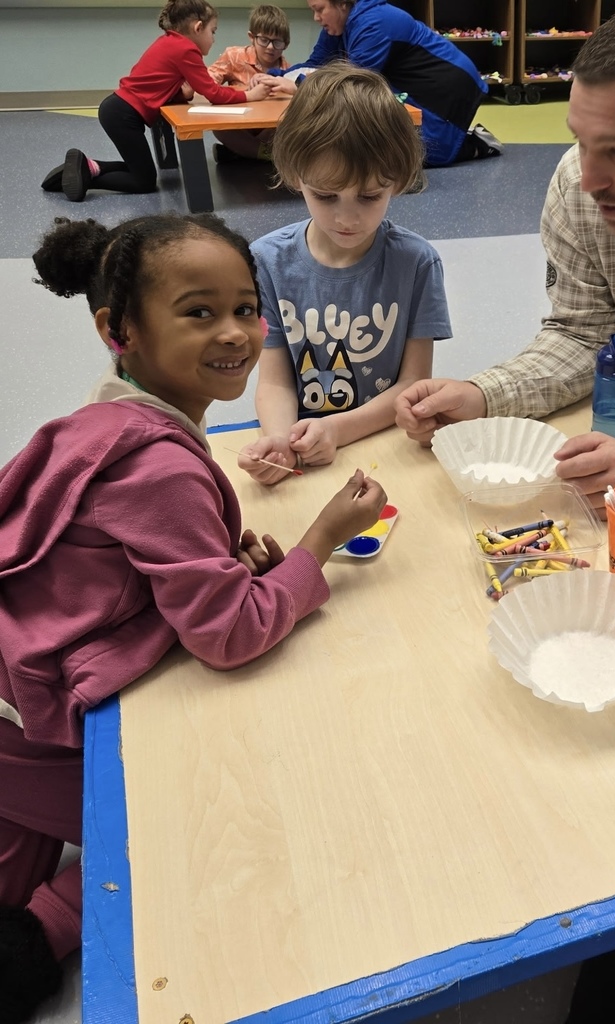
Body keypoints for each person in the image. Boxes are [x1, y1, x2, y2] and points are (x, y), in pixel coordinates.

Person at [0, 211, 386, 1023]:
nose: (236, 334)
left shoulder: (114, 414)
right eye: (199, 311)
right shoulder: (156, 464)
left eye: (247, 308)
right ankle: (46, 927)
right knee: (212, 840)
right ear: (119, 330)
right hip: (18, 721)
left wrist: (211, 554)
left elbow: (129, 550)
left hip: (14, 668)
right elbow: (228, 635)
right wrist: (322, 540)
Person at [395, 0, 615, 510]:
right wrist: (483, 397)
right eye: (581, 142)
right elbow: (581, 333)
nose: (588, 180)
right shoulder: (577, 185)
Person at [236, 63, 452, 485]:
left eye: (370, 196)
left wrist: (337, 429)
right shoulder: (266, 261)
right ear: (297, 176)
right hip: (301, 450)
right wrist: (279, 440)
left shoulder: (417, 263)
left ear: (398, 182)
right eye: (326, 195)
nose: (348, 217)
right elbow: (275, 382)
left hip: (384, 446)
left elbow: (412, 385)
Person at [40, 0, 262, 202]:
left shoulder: (169, 42)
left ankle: (89, 167)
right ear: (198, 28)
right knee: (144, 181)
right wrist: (249, 95)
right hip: (123, 115)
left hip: (117, 109)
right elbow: (214, 93)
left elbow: (158, 83)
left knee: (139, 169)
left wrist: (181, 94)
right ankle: (85, 176)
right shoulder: (187, 50)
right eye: (213, 31)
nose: (213, 38)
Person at [258, 0, 502, 167]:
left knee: (421, 156)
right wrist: (278, 75)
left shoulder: (374, 22)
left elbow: (353, 81)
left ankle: (476, 143)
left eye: (320, 9)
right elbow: (316, 63)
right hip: (415, 82)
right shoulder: (339, 24)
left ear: (342, 3)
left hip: (447, 84)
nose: (316, 17)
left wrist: (300, 85)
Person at [207, 4, 291, 163]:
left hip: (269, 129)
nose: (270, 47)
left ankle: (242, 154)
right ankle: (269, 156)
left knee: (288, 123)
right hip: (239, 126)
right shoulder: (233, 56)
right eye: (264, 40)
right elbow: (207, 83)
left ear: (286, 43)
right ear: (252, 37)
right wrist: (248, 91)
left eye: (277, 42)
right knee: (218, 126)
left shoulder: (287, 70)